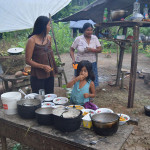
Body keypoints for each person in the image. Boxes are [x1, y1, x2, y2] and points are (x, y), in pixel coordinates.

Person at [25, 16, 57, 94]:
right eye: (48, 25)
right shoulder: (32, 40)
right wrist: (43, 66)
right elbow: (27, 60)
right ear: (43, 26)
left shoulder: (49, 38)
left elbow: (48, 55)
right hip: (37, 75)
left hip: (49, 74)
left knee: (50, 96)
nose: (50, 27)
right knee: (39, 97)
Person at [70, 23, 102, 87]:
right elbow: (71, 49)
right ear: (84, 30)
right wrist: (73, 60)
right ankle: (79, 93)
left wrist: (91, 50)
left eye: (91, 30)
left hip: (92, 62)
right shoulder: (78, 39)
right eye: (87, 30)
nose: (90, 32)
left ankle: (90, 94)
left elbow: (100, 50)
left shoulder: (95, 38)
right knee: (79, 78)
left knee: (91, 79)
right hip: (79, 63)